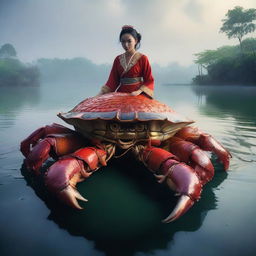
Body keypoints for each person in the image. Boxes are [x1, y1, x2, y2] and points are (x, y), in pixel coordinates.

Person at [98, 25, 154, 98]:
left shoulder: (143, 58)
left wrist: (139, 91)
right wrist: (99, 94)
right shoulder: (118, 59)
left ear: (136, 41)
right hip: (121, 95)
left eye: (129, 41)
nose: (126, 45)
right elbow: (112, 81)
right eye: (123, 42)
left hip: (137, 95)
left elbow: (149, 80)